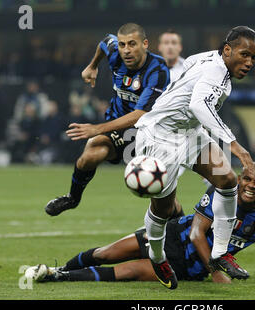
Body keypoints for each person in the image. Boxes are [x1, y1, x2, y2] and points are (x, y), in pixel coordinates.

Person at [66, 26, 255, 289]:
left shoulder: (209, 60)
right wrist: (236, 146)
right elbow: (198, 105)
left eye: (253, 58)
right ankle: (158, 258)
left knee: (226, 180)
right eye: (244, 54)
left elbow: (190, 66)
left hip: (189, 131)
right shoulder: (215, 72)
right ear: (227, 50)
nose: (248, 62)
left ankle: (219, 254)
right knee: (164, 209)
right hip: (160, 136)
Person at [29, 163, 255, 284]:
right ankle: (61, 269)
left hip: (185, 267)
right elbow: (196, 235)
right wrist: (217, 272)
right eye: (247, 180)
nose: (251, 186)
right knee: (105, 253)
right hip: (172, 235)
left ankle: (56, 277)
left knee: (128, 272)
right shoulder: (220, 192)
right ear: (241, 179)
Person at [45, 23, 184, 218]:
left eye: (132, 44)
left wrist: (96, 128)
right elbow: (104, 42)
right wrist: (92, 66)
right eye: (122, 45)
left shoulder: (158, 70)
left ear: (145, 44)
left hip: (149, 133)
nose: (126, 50)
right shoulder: (115, 53)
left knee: (160, 195)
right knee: (89, 156)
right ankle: (72, 198)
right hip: (119, 125)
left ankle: (179, 226)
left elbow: (140, 114)